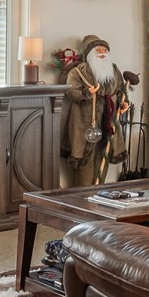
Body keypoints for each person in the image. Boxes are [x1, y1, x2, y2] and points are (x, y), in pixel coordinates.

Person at [61, 34, 131, 186]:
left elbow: (120, 91)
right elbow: (71, 92)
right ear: (89, 53)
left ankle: (98, 199)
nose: (102, 52)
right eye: (98, 49)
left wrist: (123, 103)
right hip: (85, 124)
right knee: (84, 167)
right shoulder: (79, 71)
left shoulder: (113, 70)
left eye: (104, 49)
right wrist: (87, 93)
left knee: (103, 161)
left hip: (108, 124)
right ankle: (82, 201)